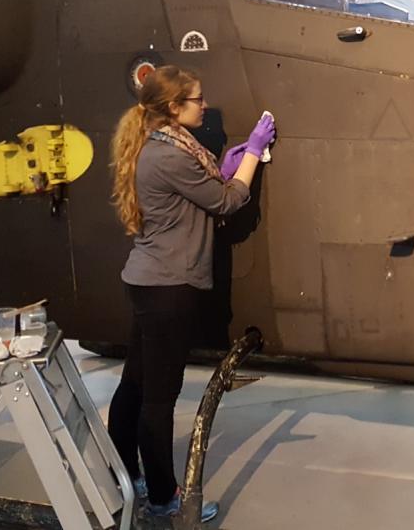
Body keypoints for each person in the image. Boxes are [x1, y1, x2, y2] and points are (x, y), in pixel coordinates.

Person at [106, 65, 275, 521]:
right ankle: (163, 498)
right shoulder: (171, 154)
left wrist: (226, 165)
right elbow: (225, 201)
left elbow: (196, 192)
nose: (204, 105)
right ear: (173, 107)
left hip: (146, 280)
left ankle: (126, 474)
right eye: (197, 99)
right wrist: (253, 156)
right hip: (167, 288)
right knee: (158, 399)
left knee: (135, 385)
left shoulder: (162, 144)